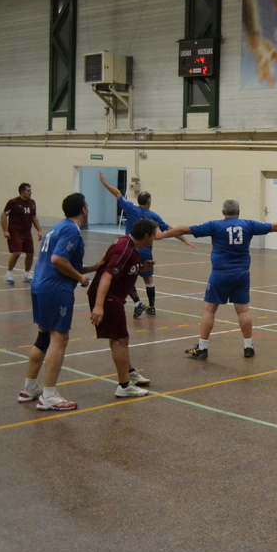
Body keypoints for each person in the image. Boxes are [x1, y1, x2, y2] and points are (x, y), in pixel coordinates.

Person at [159, 199, 277, 359]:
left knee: (209, 309)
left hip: (220, 274)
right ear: (239, 212)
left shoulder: (215, 225)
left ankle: (202, 348)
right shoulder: (248, 225)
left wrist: (161, 235)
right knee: (243, 310)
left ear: (223, 212)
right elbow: (275, 227)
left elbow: (183, 229)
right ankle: (248, 347)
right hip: (241, 274)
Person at [17, 193, 102, 411]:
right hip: (56, 290)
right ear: (84, 209)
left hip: (40, 285)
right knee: (60, 337)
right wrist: (81, 278)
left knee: (44, 335)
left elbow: (62, 262)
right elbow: (58, 260)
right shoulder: (71, 230)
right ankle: (49, 395)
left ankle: (29, 387)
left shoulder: (57, 228)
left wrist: (92, 268)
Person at [98, 171, 196, 319]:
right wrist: (184, 240)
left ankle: (137, 302)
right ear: (149, 202)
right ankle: (152, 306)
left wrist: (104, 182)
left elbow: (117, 193)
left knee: (126, 276)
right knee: (148, 278)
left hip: (131, 249)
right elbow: (169, 229)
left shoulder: (131, 208)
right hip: (145, 251)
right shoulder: (153, 216)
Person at [87, 218, 160, 399]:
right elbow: (106, 276)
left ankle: (130, 373)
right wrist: (99, 306)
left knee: (119, 337)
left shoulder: (129, 245)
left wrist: (141, 267)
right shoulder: (124, 249)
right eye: (153, 236)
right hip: (108, 297)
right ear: (146, 235)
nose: (154, 239)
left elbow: (124, 269)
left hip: (115, 297)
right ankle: (124, 386)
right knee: (120, 339)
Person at [3, 182, 42, 285]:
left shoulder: (32, 203)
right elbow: (4, 215)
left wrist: (39, 230)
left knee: (30, 253)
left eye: (30, 190)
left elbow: (34, 217)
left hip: (27, 233)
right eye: (28, 190)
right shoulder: (13, 202)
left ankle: (27, 274)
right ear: (22, 192)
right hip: (15, 232)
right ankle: (8, 274)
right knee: (16, 253)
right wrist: (5, 230)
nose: (31, 192)